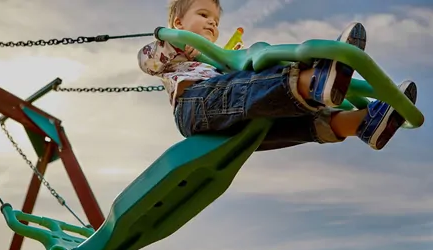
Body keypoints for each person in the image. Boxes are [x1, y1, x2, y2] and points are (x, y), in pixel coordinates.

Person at [137, 0, 418, 151]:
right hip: (194, 106)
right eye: (203, 14)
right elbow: (146, 61)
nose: (211, 22)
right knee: (247, 87)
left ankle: (362, 123)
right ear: (177, 22)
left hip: (228, 122)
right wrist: (173, 41)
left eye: (216, 20)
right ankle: (312, 81)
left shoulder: (215, 58)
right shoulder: (169, 51)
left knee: (278, 122)